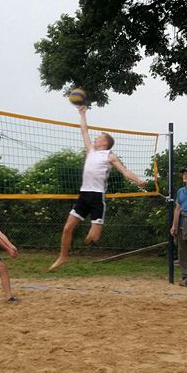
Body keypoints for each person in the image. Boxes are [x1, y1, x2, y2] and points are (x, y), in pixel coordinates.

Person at [49, 104, 145, 271]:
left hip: (97, 197)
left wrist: (138, 180)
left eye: (99, 137)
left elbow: (124, 171)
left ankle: (91, 237)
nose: (96, 138)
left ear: (105, 142)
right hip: (84, 195)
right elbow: (84, 131)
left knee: (94, 236)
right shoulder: (91, 151)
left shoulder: (109, 155)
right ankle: (63, 257)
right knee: (67, 228)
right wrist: (82, 114)